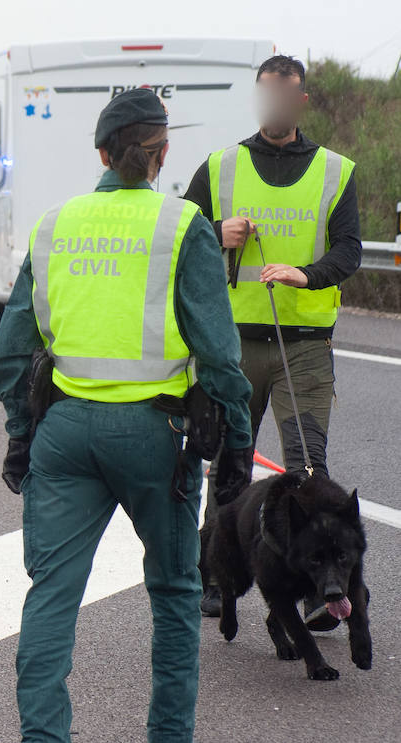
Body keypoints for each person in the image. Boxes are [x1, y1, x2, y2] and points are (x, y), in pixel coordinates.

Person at [0, 89, 254, 743]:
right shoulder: (183, 225)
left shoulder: (55, 226)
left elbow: (11, 355)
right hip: (155, 436)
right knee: (173, 590)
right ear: (162, 154)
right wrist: (236, 439)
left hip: (65, 433)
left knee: (52, 592)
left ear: (102, 154)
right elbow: (218, 353)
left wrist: (20, 434)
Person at [182, 55, 361, 629]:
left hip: (303, 346)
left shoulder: (335, 171)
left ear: (301, 101)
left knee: (308, 471)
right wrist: (216, 232)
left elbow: (350, 250)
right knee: (228, 464)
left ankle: (318, 591)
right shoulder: (220, 167)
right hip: (232, 344)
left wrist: (306, 274)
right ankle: (217, 579)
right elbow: (179, 237)